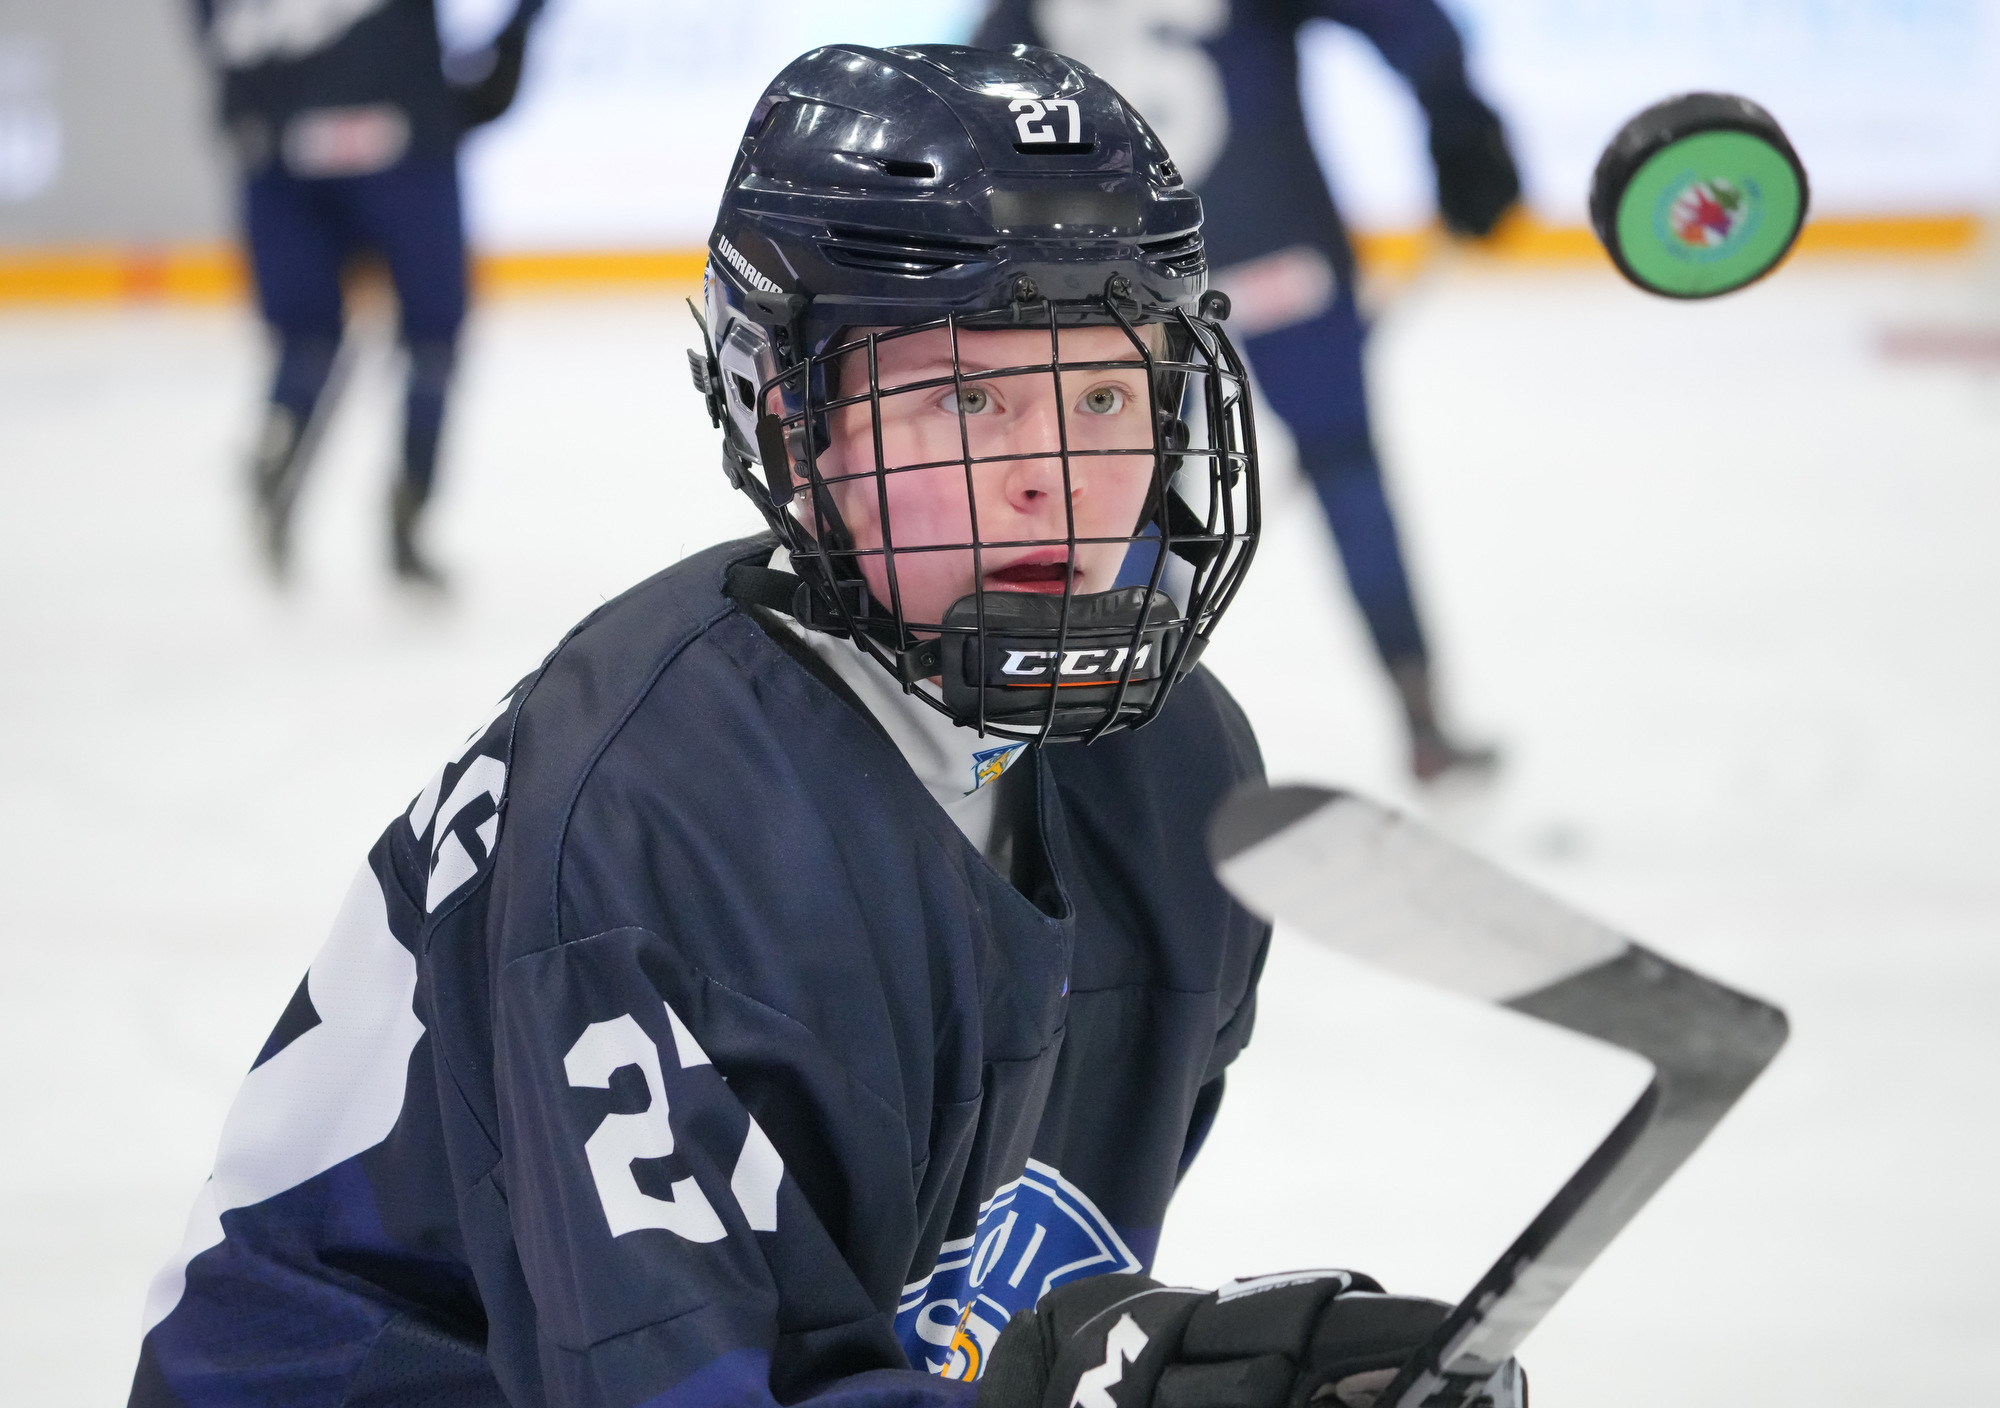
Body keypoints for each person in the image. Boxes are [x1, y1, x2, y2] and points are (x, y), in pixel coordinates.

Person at [129, 44, 1519, 1408]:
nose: (1055, 481)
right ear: (789, 427)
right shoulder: (655, 822)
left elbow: (964, 1321)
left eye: (1104, 393)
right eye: (966, 398)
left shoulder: (1175, 776)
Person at [973, 1, 1519, 782]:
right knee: (1346, 470)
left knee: (1128, 497)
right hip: (1277, 251)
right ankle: (1424, 720)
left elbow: (972, 115)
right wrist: (1461, 122)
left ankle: (1105, 736)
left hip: (1125, 285)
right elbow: (1407, 21)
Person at [191, 0, 545, 585]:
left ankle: (281, 450)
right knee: (431, 344)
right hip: (400, 126)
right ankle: (408, 523)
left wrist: (244, 91)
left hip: (283, 134)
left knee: (306, 342)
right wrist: (516, 38)